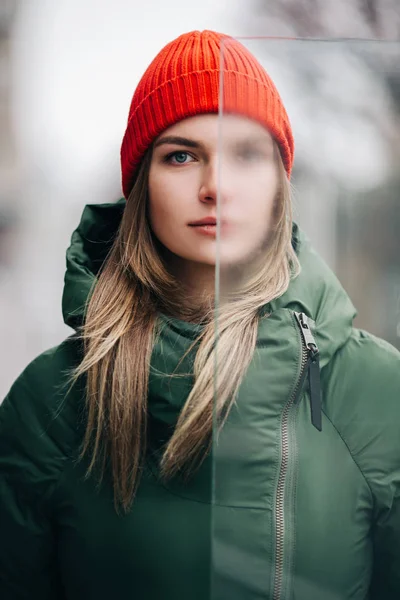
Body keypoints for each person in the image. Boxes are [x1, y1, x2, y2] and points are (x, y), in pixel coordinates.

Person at [0, 29, 399, 600]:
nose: (216, 186)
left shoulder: (377, 392)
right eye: (182, 155)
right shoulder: (52, 403)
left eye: (246, 154)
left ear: (280, 185)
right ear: (142, 185)